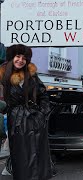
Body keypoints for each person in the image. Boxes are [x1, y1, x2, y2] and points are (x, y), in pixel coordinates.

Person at [0, 44, 53, 180]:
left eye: (24, 58)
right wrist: (5, 108)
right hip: (16, 121)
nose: (20, 60)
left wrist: (42, 114)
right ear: (12, 57)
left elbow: (44, 96)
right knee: (22, 158)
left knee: (38, 157)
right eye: (18, 56)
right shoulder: (3, 75)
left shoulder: (31, 76)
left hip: (35, 121)